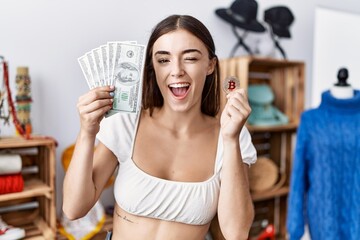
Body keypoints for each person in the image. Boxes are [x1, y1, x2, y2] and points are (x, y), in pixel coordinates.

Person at [63, 14, 257, 240]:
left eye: (190, 58)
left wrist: (231, 139)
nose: (176, 70)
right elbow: (73, 208)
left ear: (210, 65)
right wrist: (87, 132)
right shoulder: (125, 123)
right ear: (153, 67)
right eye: (163, 60)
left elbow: (237, 233)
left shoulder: (231, 135)